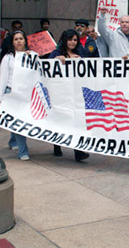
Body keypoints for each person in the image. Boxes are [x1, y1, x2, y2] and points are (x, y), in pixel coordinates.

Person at [49, 29, 90, 162]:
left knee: (76, 121)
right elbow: (48, 67)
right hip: (61, 93)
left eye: (75, 40)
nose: (72, 42)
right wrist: (56, 60)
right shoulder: (56, 53)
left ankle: (78, 151)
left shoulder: (80, 53)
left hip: (76, 92)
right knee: (60, 119)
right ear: (64, 40)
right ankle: (57, 145)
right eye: (70, 39)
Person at [0, 30, 33, 161]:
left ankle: (13, 142)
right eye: (16, 39)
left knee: (18, 120)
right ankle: (23, 151)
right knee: (19, 122)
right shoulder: (8, 58)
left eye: (21, 38)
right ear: (12, 42)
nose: (19, 41)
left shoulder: (32, 55)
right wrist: (0, 97)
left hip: (26, 92)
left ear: (25, 40)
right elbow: (3, 78)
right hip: (11, 92)